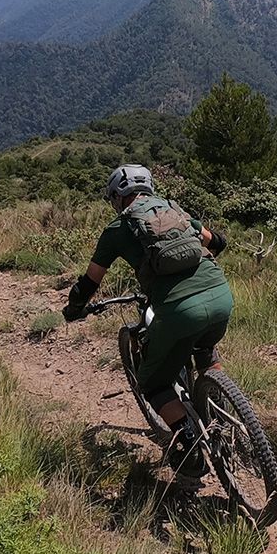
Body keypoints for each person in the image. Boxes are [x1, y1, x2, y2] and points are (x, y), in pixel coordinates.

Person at [62, 164, 231, 481]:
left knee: (153, 382)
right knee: (205, 348)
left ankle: (189, 445)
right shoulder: (174, 210)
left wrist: (74, 308)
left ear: (117, 197)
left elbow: (90, 282)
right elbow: (215, 241)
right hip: (221, 296)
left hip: (178, 311)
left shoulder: (117, 229)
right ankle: (221, 411)